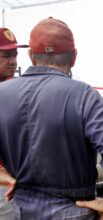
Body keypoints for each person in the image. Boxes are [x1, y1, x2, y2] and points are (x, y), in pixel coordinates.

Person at [0, 17, 103, 219]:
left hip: (22, 209)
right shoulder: (84, 95)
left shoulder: (2, 93)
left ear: (30, 56)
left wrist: (5, 177)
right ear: (74, 57)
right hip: (73, 209)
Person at [0, 27, 27, 220]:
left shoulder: (17, 86)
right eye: (5, 55)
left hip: (20, 179)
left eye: (15, 55)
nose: (13, 61)